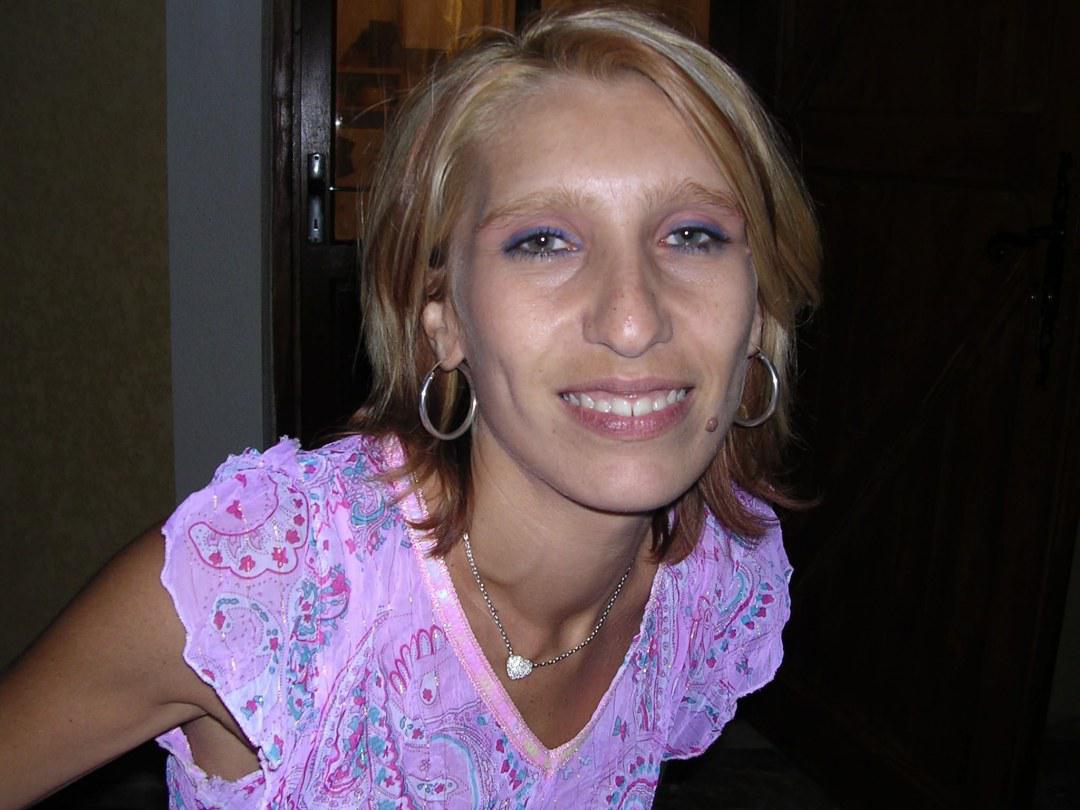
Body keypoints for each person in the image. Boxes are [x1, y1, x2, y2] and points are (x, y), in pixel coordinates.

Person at [0, 6, 820, 808]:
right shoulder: (268, 586)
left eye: (693, 236)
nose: (634, 321)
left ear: (758, 309)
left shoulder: (711, 580)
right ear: (444, 321)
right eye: (543, 241)